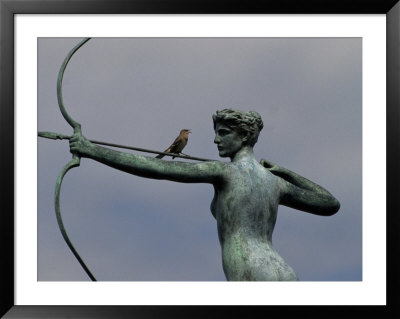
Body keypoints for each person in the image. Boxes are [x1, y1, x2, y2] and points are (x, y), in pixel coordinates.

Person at [69, 108, 340, 281]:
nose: (215, 140)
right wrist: (286, 172)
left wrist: (92, 150)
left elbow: (155, 167)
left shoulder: (224, 172)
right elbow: (329, 202)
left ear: (244, 137)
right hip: (283, 272)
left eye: (223, 133)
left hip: (251, 272)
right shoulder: (274, 181)